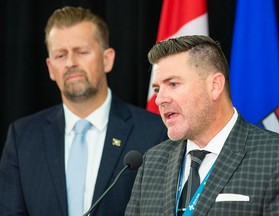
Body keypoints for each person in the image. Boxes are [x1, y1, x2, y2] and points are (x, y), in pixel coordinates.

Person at [0, 6, 168, 216]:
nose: (71, 62)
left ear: (107, 59)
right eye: (61, 55)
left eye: (82, 52)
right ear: (51, 68)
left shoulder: (154, 133)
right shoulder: (22, 137)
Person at [125, 35, 279, 216]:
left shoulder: (278, 157)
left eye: (173, 84)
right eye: (157, 89)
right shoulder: (152, 161)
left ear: (215, 85)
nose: (160, 99)